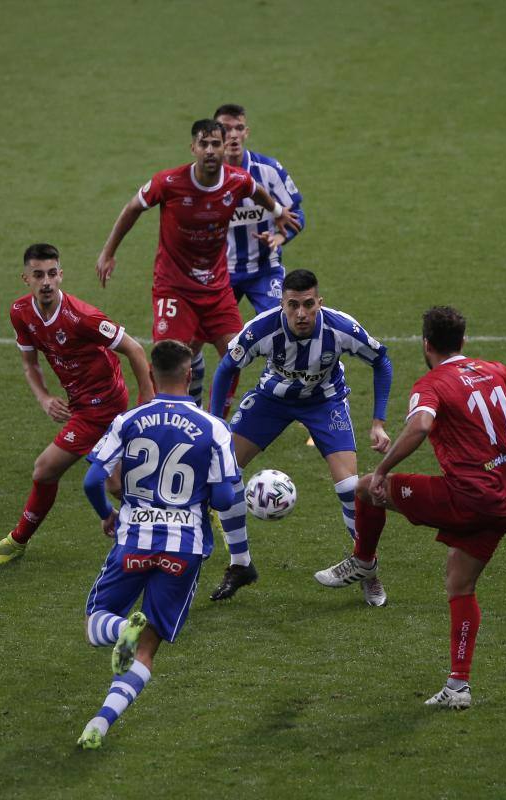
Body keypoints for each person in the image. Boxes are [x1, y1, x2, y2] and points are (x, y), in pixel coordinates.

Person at [315, 306, 506, 709]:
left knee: (366, 489)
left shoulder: (431, 384)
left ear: (426, 344)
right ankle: (458, 686)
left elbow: (419, 426)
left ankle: (363, 561)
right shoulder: (492, 369)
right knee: (459, 583)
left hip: (470, 495)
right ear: (463, 342)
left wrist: (383, 469)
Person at [76, 340, 243, 749]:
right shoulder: (214, 428)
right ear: (190, 375)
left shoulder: (129, 420)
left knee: (94, 623)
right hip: (183, 549)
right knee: (148, 645)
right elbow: (223, 500)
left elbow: (93, 480)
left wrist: (106, 514)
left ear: (150, 373)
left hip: (133, 540)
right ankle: (101, 720)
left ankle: (119, 627)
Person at [208, 268, 393, 601]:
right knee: (223, 472)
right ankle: (240, 564)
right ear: (282, 304)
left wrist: (378, 421)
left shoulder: (340, 328)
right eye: (293, 305)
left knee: (352, 489)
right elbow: (226, 369)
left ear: (319, 302)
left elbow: (382, 361)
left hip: (324, 402)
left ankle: (367, 568)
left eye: (308, 304)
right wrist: (214, 420)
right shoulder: (262, 329)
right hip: (271, 401)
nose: (301, 313)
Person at [95, 119, 301, 413]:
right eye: (203, 144)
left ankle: (214, 422)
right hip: (174, 287)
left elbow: (255, 189)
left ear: (222, 147)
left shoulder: (235, 180)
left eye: (215, 144)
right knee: (169, 361)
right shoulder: (168, 183)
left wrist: (278, 211)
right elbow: (133, 208)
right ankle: (151, 418)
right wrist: (108, 252)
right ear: (193, 148)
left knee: (235, 355)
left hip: (217, 288)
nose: (209, 150)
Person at [0, 243, 154, 565]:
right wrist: (44, 398)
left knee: (46, 470)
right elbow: (30, 364)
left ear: (61, 276)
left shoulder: (82, 317)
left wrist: (146, 401)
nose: (46, 282)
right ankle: (168, 521)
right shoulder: (21, 313)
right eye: (38, 275)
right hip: (81, 404)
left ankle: (17, 541)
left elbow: (135, 350)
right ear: (25, 278)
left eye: (52, 274)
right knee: (116, 481)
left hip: (103, 406)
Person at [214, 103, 305, 315]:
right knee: (198, 335)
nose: (233, 135)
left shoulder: (268, 170)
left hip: (265, 268)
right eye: (226, 128)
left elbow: (298, 214)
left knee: (279, 327)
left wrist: (279, 239)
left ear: (246, 132)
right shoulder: (207, 177)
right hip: (221, 272)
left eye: (239, 128)